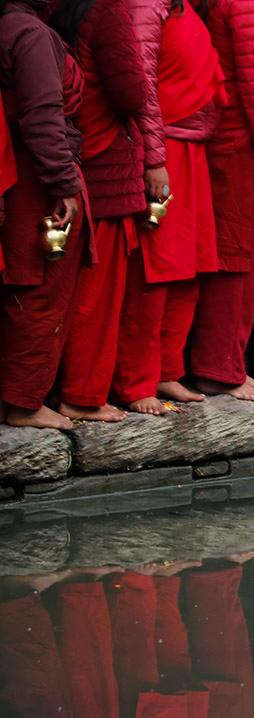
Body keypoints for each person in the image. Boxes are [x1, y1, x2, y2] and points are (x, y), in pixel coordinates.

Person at [112, 0, 223, 415]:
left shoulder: (183, 7)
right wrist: (154, 160)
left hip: (191, 145)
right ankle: (135, 380)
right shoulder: (146, 5)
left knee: (187, 266)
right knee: (156, 270)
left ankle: (166, 370)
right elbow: (143, 84)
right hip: (166, 147)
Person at [50, 0, 142, 425]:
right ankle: (83, 395)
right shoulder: (107, 10)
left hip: (74, 146)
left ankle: (75, 390)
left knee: (78, 285)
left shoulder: (61, 10)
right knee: (99, 289)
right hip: (103, 154)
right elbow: (131, 91)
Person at [190, 0, 254, 402]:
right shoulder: (251, 4)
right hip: (244, 147)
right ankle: (218, 368)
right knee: (237, 261)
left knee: (238, 259)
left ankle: (226, 363)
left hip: (237, 144)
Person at [0, 0, 86, 430]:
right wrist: (64, 184)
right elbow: (42, 116)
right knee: (37, 288)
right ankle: (23, 402)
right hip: (36, 179)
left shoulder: (11, 27)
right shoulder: (30, 35)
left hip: (21, 169)